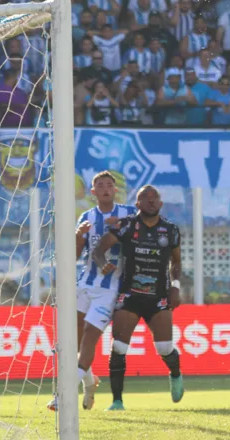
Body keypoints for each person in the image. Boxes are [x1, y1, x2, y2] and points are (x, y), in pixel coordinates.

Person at [45, 172, 137, 412]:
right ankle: (89, 381)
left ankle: (62, 395)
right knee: (71, 339)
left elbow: (141, 235)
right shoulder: (86, 217)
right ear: (93, 192)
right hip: (85, 283)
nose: (105, 189)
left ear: (115, 190)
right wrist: (77, 237)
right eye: (100, 186)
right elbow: (76, 256)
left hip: (111, 288)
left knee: (89, 334)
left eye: (109, 185)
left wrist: (121, 228)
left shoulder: (128, 213)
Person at [92, 186, 185, 411]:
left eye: (155, 198)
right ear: (138, 204)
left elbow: (177, 262)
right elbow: (98, 250)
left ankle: (175, 374)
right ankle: (117, 401)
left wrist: (175, 287)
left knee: (164, 348)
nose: (151, 202)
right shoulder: (127, 226)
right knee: (120, 347)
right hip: (130, 295)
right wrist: (103, 264)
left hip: (158, 296)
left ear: (161, 204)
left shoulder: (170, 230)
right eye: (146, 198)